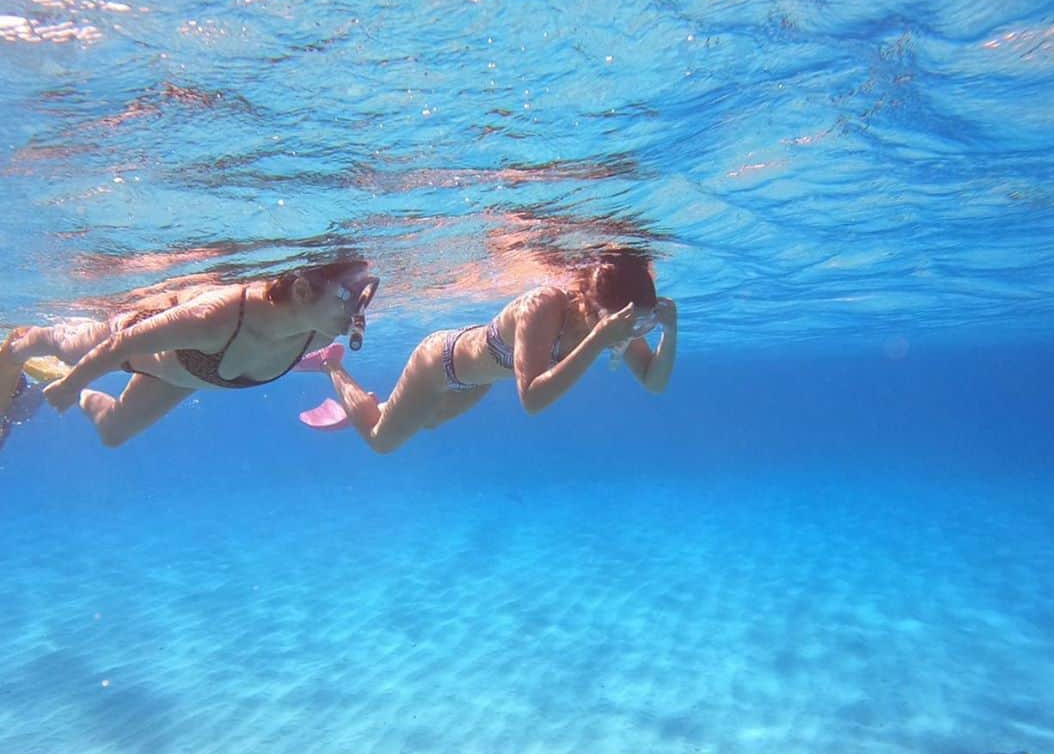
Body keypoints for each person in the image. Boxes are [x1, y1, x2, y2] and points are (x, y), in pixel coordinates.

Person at [302, 247, 676, 453]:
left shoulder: (610, 324)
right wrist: (596, 340)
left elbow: (653, 381)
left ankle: (375, 404)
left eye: (641, 323)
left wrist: (670, 332)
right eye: (632, 322)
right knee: (382, 440)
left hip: (477, 380)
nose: (632, 331)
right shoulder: (546, 306)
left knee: (426, 421)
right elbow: (531, 398)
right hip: (440, 363)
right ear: (593, 307)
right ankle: (331, 366)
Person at [0, 259, 377, 447]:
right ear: (300, 292)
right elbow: (122, 345)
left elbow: (268, 353)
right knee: (69, 349)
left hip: (189, 376)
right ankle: (24, 344)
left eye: (364, 297)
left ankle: (82, 395)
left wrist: (76, 392)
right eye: (349, 299)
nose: (357, 314)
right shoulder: (217, 317)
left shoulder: (319, 332)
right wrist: (72, 381)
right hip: (143, 348)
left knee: (112, 432)